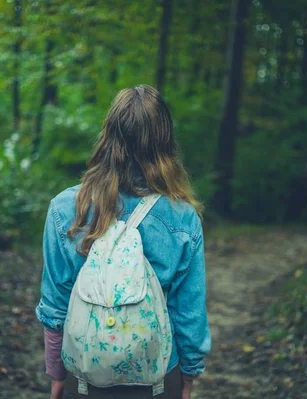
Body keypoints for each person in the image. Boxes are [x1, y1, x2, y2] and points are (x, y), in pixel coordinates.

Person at [36, 85, 211, 399]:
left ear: (107, 134)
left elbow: (55, 306)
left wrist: (56, 375)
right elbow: (189, 312)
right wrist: (189, 375)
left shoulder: (65, 209)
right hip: (158, 378)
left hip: (85, 376)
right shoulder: (182, 218)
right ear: (166, 143)